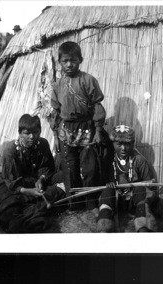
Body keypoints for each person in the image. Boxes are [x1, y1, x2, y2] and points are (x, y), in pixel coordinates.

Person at [49, 41, 106, 214]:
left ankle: (90, 203)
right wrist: (56, 136)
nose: (69, 64)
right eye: (65, 61)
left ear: (80, 60)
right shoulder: (57, 85)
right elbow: (56, 113)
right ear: (59, 62)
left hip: (87, 130)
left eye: (72, 60)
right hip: (66, 131)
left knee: (89, 169)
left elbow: (97, 107)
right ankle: (74, 203)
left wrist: (98, 130)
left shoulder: (88, 80)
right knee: (69, 169)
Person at [0, 114, 66, 233]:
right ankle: (55, 193)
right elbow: (10, 183)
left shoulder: (42, 143)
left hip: (37, 182)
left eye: (36, 132)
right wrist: (30, 191)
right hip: (17, 188)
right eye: (26, 133)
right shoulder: (9, 151)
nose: (32, 137)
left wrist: (41, 179)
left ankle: (58, 191)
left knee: (65, 176)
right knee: (12, 203)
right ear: (19, 133)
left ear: (40, 131)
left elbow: (46, 166)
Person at [96, 125, 157, 233]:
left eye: (127, 144)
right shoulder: (108, 159)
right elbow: (101, 181)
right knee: (107, 191)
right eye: (119, 144)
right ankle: (104, 227)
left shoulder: (139, 160)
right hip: (115, 201)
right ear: (113, 144)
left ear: (132, 144)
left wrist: (139, 186)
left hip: (134, 201)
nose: (123, 148)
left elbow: (150, 185)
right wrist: (108, 183)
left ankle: (143, 226)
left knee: (141, 190)